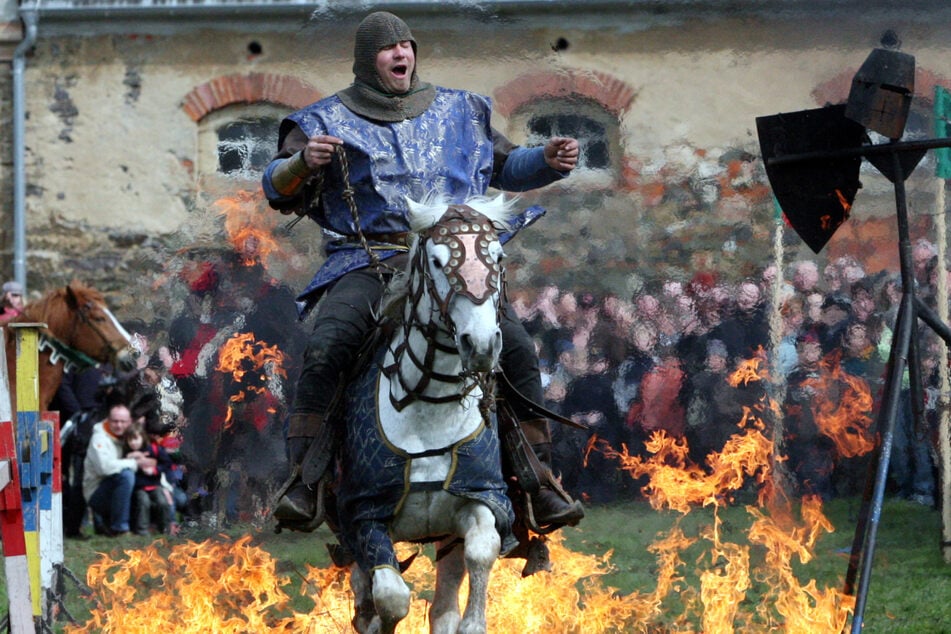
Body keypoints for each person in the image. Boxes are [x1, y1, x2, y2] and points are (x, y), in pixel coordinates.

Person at [261, 11, 583, 530]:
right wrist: (303, 163)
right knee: (327, 347)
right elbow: (276, 184)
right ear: (370, 59)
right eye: (390, 49)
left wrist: (546, 159)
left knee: (517, 350)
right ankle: (307, 478)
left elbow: (505, 165)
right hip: (371, 259)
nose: (401, 54)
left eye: (407, 45)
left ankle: (536, 478)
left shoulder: (462, 109)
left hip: (453, 261)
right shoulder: (323, 120)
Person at [83, 403, 155, 536]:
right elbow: (104, 468)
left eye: (123, 422)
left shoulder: (130, 437)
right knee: (126, 475)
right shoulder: (99, 438)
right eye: (115, 421)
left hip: (119, 489)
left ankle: (150, 524)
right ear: (108, 420)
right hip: (97, 492)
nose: (119, 425)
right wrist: (134, 463)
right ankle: (120, 528)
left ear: (130, 422)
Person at [123, 424, 173, 535]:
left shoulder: (154, 450)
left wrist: (155, 470)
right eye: (130, 440)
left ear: (142, 437)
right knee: (143, 502)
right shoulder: (126, 454)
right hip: (139, 487)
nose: (133, 443)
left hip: (155, 485)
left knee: (162, 503)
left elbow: (167, 464)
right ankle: (142, 530)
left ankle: (165, 529)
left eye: (135, 439)